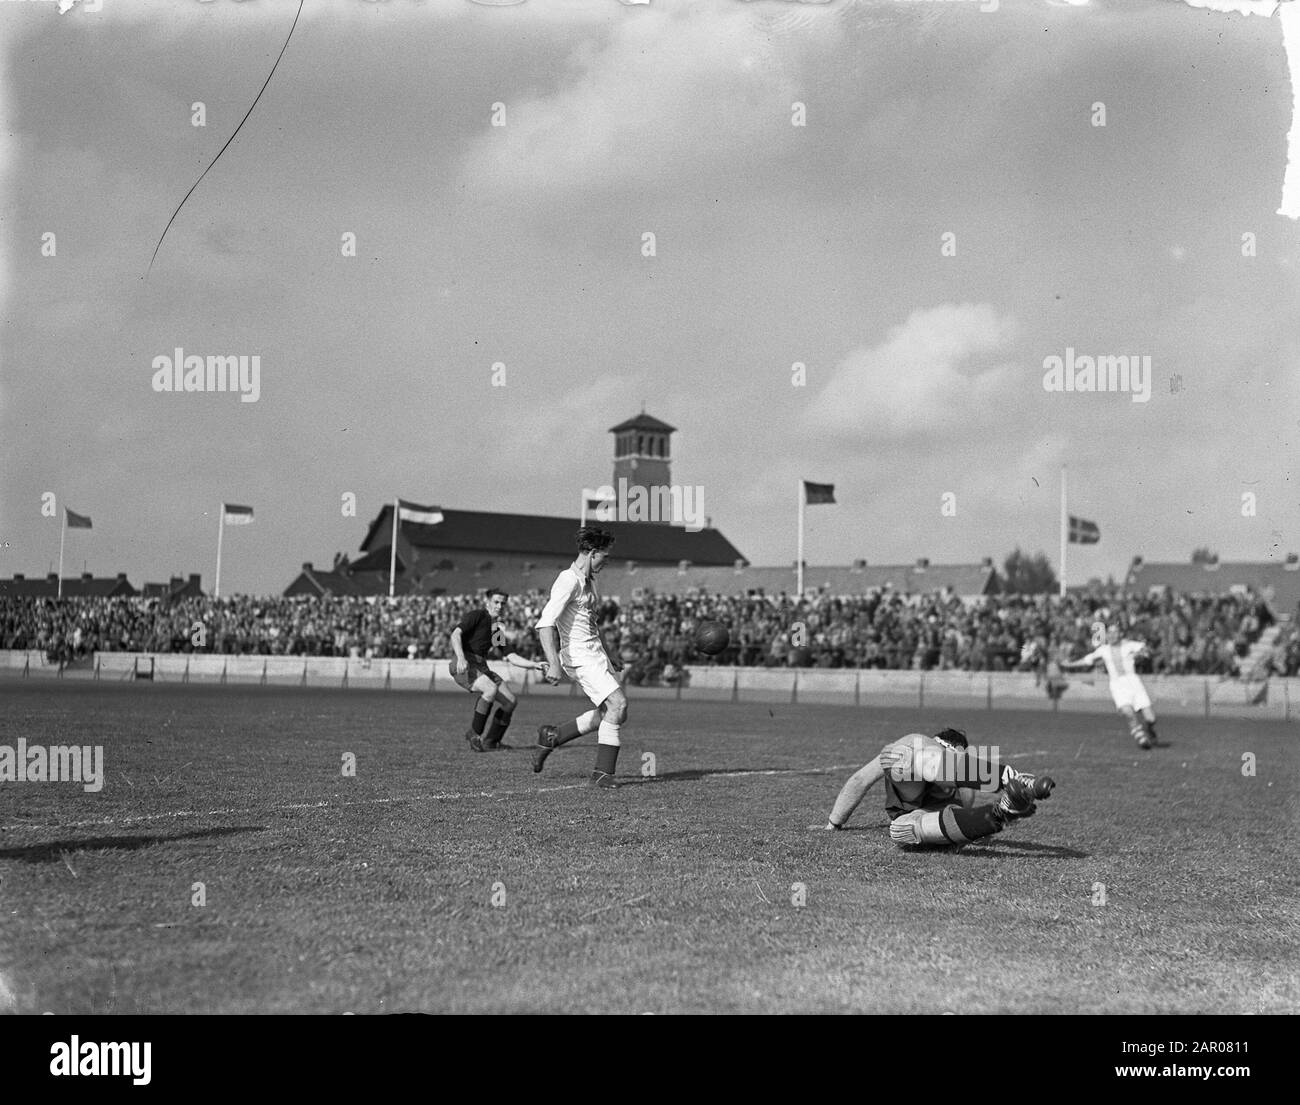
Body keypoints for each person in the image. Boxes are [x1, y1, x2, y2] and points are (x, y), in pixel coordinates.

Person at [823, 727, 1056, 846]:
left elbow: (859, 780)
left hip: (922, 791)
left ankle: (1010, 784)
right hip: (931, 801)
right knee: (901, 830)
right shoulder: (963, 784)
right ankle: (1004, 810)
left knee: (904, 826)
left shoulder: (916, 745)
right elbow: (958, 819)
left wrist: (833, 824)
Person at [531, 528, 627, 788]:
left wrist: (610, 652)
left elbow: (592, 622)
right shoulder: (568, 579)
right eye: (604, 556)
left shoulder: (591, 581)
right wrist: (553, 662)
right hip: (579, 656)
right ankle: (603, 773)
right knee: (617, 705)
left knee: (611, 712)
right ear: (592, 553)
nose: (606, 561)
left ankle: (552, 736)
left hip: (595, 654)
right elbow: (545, 624)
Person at [449, 589, 547, 752]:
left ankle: (491, 741)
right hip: (464, 664)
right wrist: (460, 657)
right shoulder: (478, 615)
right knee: (490, 689)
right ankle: (474, 734)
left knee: (510, 702)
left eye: (503, 603)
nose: (499, 606)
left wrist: (534, 665)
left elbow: (512, 656)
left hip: (481, 667)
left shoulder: (495, 629)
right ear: (487, 602)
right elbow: (455, 634)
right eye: (496, 602)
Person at [1061, 624, 1158, 749]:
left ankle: (1149, 730)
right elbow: (1087, 660)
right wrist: (1069, 665)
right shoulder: (1104, 650)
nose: (1112, 635)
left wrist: (1143, 653)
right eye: (1109, 633)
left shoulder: (1129, 645)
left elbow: (1146, 649)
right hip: (1118, 684)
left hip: (1134, 682)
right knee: (1128, 711)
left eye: (1115, 632)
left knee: (1151, 718)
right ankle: (1140, 737)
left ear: (1120, 634)